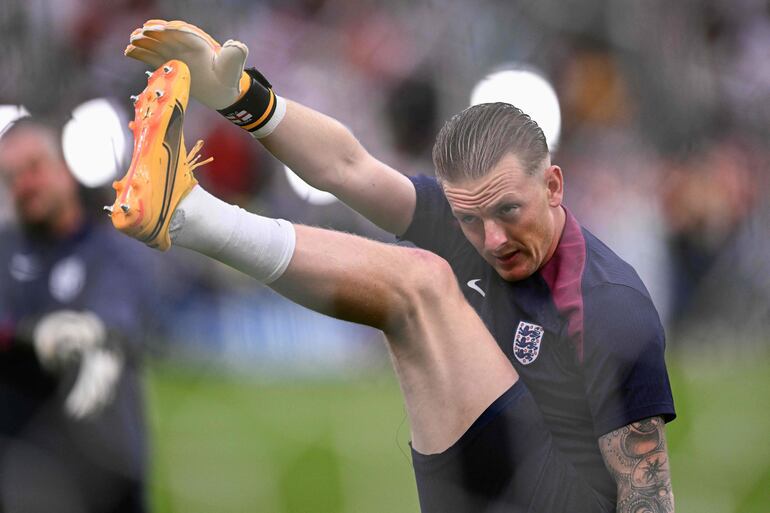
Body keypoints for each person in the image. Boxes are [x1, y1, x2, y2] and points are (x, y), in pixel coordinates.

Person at [116, 20, 676, 513]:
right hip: (468, 491)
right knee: (417, 285)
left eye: (508, 211)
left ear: (553, 185)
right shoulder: (469, 226)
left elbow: (648, 493)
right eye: (470, 219)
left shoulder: (610, 302)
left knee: (420, 282)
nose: (493, 238)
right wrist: (242, 97)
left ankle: (187, 214)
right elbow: (348, 166)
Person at [0, 119, 156, 513]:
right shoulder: (5, 252)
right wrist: (37, 335)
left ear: (65, 169)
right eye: (12, 177)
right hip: (23, 463)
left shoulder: (111, 249)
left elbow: (117, 314)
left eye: (34, 168)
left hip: (104, 463)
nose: (25, 184)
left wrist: (94, 336)